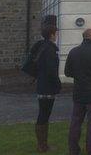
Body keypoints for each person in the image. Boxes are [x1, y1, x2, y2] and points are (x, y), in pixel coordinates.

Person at [33, 16, 61, 153]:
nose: (57, 36)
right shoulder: (50, 49)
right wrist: (58, 84)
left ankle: (43, 144)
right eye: (56, 33)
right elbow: (51, 70)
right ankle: (42, 145)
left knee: (43, 114)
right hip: (47, 86)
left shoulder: (42, 46)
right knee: (44, 114)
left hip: (42, 84)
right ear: (52, 34)